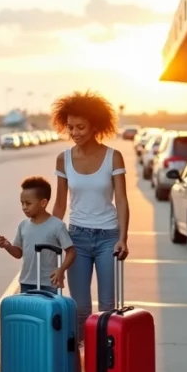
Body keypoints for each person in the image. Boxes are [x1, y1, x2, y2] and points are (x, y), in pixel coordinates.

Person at [50, 90, 130, 333]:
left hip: (108, 238)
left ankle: (105, 353)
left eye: (81, 127)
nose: (75, 133)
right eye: (70, 127)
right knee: (80, 308)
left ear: (95, 126)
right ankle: (80, 351)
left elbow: (122, 200)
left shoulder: (113, 157)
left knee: (107, 307)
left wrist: (123, 238)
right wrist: (50, 234)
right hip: (77, 239)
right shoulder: (63, 159)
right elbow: (60, 203)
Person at [0, 176, 76, 293]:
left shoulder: (57, 225)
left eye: (28, 203)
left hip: (49, 282)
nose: (24, 207)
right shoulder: (23, 225)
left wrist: (61, 270)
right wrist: (6, 245)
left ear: (43, 203)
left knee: (49, 306)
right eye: (22, 203)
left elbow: (71, 251)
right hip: (26, 281)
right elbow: (18, 253)